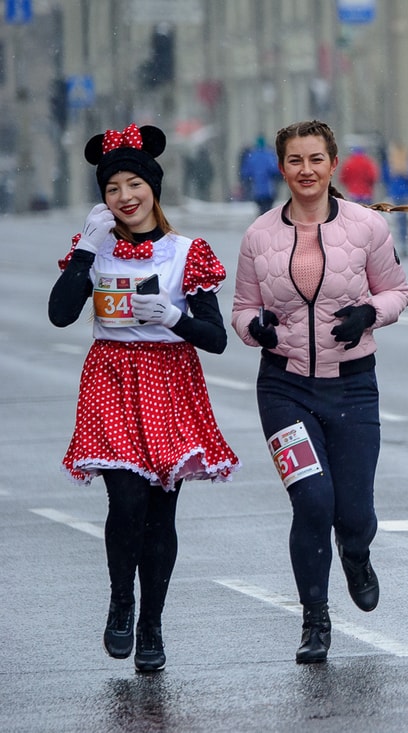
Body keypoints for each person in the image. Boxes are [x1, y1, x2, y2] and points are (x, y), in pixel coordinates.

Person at [48, 123, 240, 673]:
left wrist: (176, 317)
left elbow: (217, 339)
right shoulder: (95, 249)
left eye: (135, 184)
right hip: (110, 378)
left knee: (160, 512)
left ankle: (153, 624)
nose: (125, 196)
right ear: (103, 199)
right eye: (112, 188)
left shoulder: (186, 252)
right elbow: (61, 314)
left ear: (153, 188)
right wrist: (86, 251)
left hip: (169, 380)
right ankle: (120, 603)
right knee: (126, 502)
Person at [230, 119, 408, 664]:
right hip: (284, 387)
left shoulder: (366, 228)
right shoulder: (259, 234)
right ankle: (315, 620)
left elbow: (398, 292)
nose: (305, 170)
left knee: (352, 512)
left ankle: (356, 553)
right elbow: (241, 308)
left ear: (333, 165)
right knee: (312, 503)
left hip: (353, 388)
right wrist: (254, 328)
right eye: (294, 161)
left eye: (315, 159)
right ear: (281, 168)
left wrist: (369, 314)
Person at [382, 140, 408, 258]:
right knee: (405, 219)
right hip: (406, 194)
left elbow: (385, 178)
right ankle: (405, 242)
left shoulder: (391, 164)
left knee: (399, 219)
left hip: (396, 193)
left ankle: (401, 241)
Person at [240, 136, 281, 214]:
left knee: (261, 211)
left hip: (257, 190)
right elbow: (275, 169)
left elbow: (246, 172)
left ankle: (262, 222)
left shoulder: (251, 156)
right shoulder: (269, 155)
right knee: (269, 211)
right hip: (269, 190)